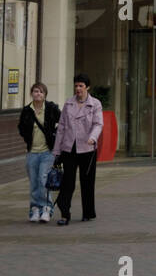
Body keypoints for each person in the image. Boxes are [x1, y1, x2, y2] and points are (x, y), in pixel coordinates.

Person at [53, 74, 103, 225]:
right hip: (69, 148)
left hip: (87, 148)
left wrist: (93, 138)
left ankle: (88, 212)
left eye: (81, 86)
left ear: (87, 87)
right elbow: (61, 128)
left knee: (87, 181)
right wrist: (56, 151)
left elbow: (98, 124)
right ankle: (64, 214)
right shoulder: (68, 103)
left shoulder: (95, 104)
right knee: (67, 182)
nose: (78, 89)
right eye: (76, 86)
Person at [18, 82, 61, 223]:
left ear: (45, 95)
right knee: (34, 183)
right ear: (31, 93)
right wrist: (27, 138)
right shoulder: (27, 110)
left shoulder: (51, 108)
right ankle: (35, 208)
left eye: (41, 92)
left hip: (47, 152)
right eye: (36, 91)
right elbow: (21, 128)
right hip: (32, 152)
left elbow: (62, 123)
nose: (38, 94)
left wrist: (55, 137)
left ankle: (47, 209)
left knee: (43, 180)